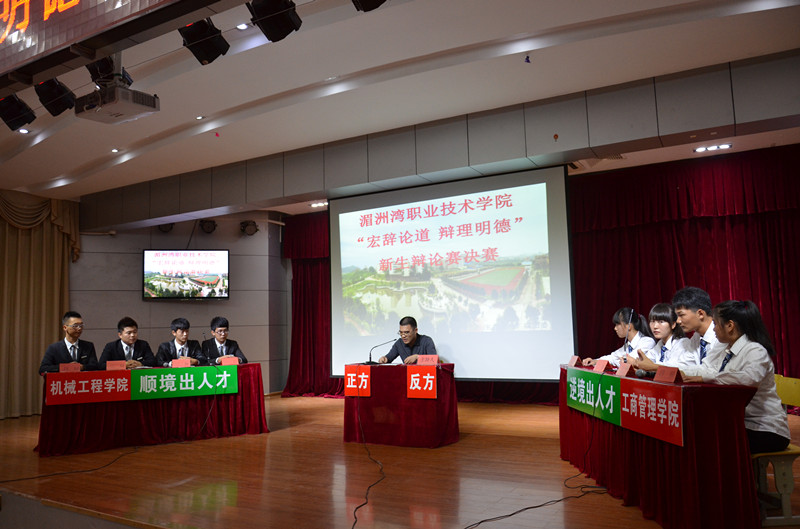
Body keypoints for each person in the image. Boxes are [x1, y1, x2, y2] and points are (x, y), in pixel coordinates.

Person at [681, 300, 790, 453]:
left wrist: (706, 379)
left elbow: (748, 379)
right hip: (738, 423)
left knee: (708, 441)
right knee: (695, 432)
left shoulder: (755, 350)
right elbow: (705, 369)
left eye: (716, 324)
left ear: (730, 326)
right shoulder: (723, 347)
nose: (714, 329)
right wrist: (677, 372)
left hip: (765, 428)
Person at [582, 307, 655, 367]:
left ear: (629, 326)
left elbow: (627, 361)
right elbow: (613, 357)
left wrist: (618, 360)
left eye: (617, 324)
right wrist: (595, 361)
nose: (615, 328)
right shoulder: (628, 345)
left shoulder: (647, 342)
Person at [632, 303, 692, 370]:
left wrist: (651, 366)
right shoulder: (660, 345)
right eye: (652, 321)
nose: (655, 326)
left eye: (661, 322)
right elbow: (647, 361)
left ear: (673, 324)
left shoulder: (682, 343)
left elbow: (674, 368)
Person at [672, 286, 718, 365]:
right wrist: (654, 366)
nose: (678, 321)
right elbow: (683, 364)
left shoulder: (720, 337)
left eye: (681, 315)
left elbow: (711, 370)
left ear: (700, 314)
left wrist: (654, 366)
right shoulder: (697, 337)